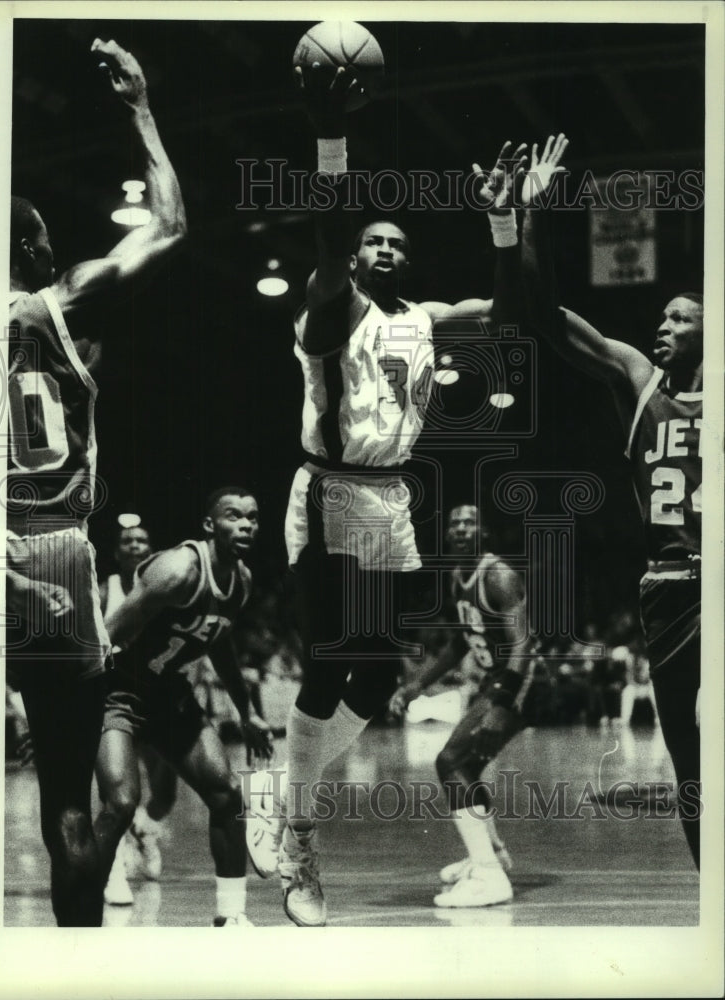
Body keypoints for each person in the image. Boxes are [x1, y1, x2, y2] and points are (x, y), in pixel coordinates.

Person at [272, 62, 528, 927]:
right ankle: (297, 836)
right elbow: (327, 232)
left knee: (378, 671)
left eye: (396, 243)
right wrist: (329, 130)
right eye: (371, 241)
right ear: (352, 255)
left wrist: (503, 218)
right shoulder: (329, 305)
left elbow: (508, 310)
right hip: (329, 490)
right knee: (327, 662)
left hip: (390, 501)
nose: (384, 250)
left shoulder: (421, 318)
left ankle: (284, 788)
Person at [6, 38, 186, 926]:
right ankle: (73, 959)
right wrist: (140, 108)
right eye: (43, 236)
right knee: (69, 808)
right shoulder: (59, 301)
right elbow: (171, 226)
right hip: (51, 553)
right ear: (31, 247)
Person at [520, 134, 701, 868]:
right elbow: (540, 314)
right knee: (690, 762)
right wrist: (530, 217)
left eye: (681, 317)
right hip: (670, 589)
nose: (663, 324)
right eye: (662, 316)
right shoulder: (637, 379)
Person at [94, 488, 274, 926]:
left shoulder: (241, 581)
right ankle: (93, 888)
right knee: (122, 803)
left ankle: (230, 917)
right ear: (210, 525)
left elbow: (220, 642)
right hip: (117, 690)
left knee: (226, 793)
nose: (246, 525)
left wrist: (246, 711)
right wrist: (62, 712)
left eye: (252, 517)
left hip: (168, 694)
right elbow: (103, 640)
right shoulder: (178, 570)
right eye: (234, 516)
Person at [390, 504, 535, 907]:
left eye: (469, 522)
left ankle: (489, 877)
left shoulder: (498, 575)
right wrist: (417, 685)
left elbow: (523, 643)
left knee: (451, 761)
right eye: (454, 522)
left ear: (483, 532)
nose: (460, 528)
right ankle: (492, 856)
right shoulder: (457, 576)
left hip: (523, 682)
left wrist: (502, 704)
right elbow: (460, 641)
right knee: (464, 766)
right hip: (497, 681)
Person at [98, 518, 179, 906]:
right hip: (116, 699)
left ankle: (144, 830)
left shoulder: (166, 588)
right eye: (127, 541)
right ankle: (113, 869)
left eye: (141, 540)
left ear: (151, 550)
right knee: (117, 795)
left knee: (165, 794)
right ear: (117, 552)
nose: (134, 545)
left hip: (157, 698)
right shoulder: (105, 590)